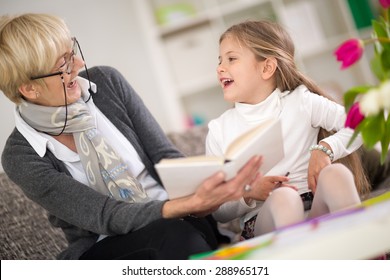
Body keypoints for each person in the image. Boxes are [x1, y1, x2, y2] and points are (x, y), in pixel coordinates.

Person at [0, 13, 263, 259]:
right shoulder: (20, 156)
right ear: (30, 89)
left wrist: (216, 187)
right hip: (108, 243)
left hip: (179, 217)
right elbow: (104, 214)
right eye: (63, 65)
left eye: (73, 52)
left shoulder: (107, 82)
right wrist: (184, 205)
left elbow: (165, 157)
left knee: (191, 229)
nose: (79, 65)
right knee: (176, 234)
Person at [206, 20, 371, 239]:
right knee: (285, 198)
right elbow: (217, 209)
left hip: (315, 207)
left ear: (266, 68)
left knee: (337, 173)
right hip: (265, 221)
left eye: (231, 59)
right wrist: (249, 193)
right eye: (220, 60)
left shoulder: (301, 102)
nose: (220, 68)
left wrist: (326, 148)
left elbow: (361, 125)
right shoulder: (219, 129)